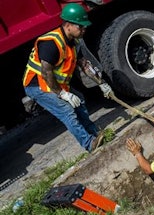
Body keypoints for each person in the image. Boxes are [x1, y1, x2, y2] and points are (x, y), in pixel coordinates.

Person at [22, 3, 112, 152]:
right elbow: (46, 73)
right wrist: (63, 94)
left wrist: (101, 83)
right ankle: (90, 143)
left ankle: (95, 133)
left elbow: (84, 65)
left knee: (79, 101)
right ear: (68, 25)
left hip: (55, 83)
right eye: (80, 27)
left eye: (84, 26)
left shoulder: (74, 42)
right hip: (37, 85)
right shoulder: (51, 43)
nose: (84, 30)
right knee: (67, 111)